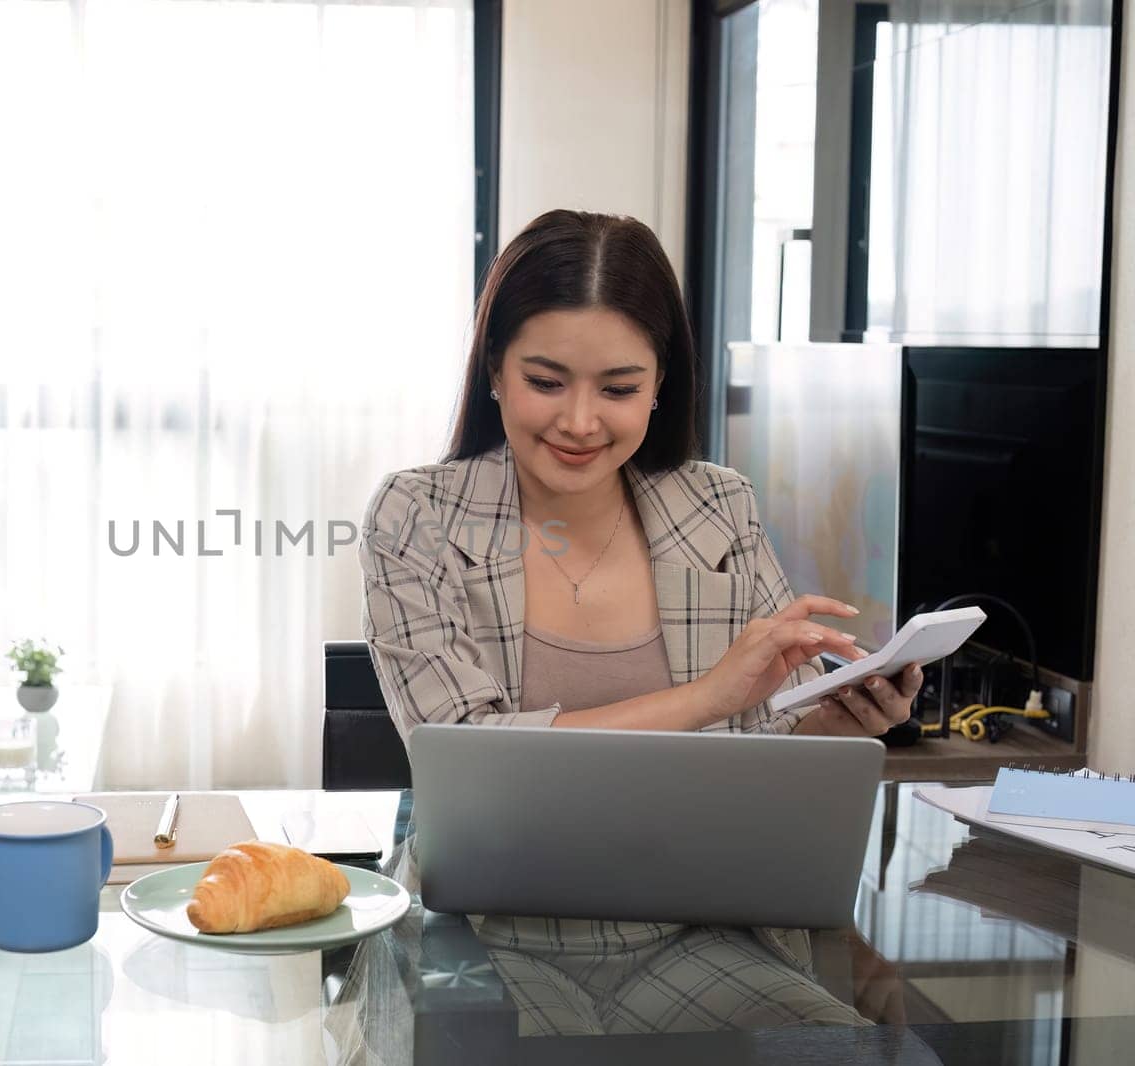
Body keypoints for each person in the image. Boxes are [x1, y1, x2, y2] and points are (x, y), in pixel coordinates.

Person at [357, 210, 915, 1035]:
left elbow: (760, 756)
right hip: (483, 933)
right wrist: (706, 697)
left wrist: (834, 722)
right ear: (495, 374)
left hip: (694, 927)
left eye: (618, 389)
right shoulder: (417, 515)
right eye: (546, 381)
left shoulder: (717, 507)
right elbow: (464, 752)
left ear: (661, 385)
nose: (581, 422)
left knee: (857, 1047)